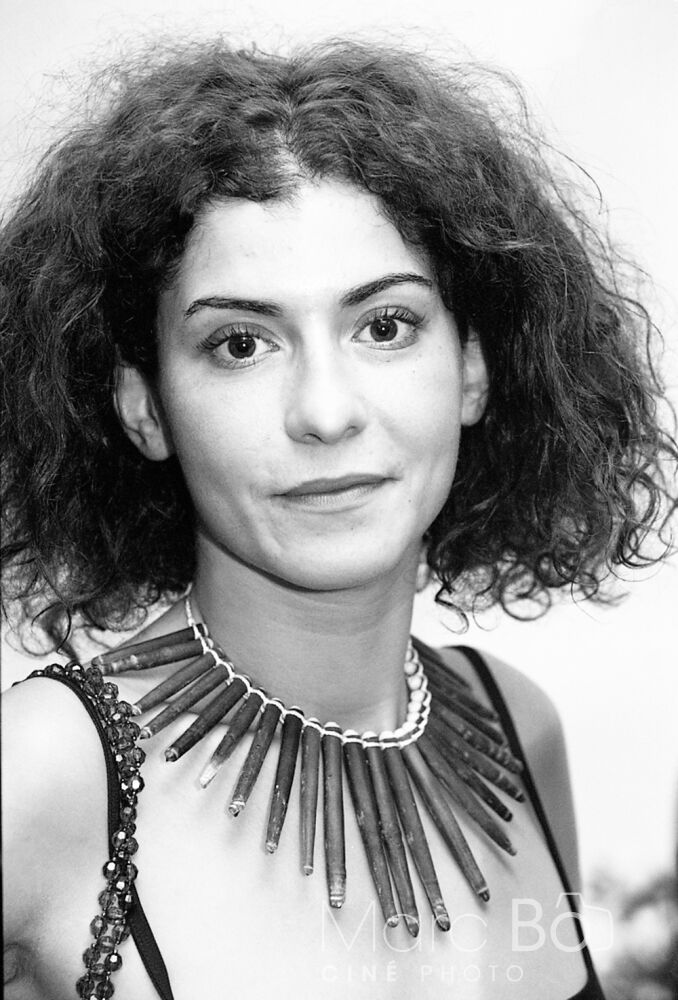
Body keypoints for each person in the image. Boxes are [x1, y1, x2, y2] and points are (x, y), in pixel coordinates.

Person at [2, 37, 675, 1000]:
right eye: (240, 344)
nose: (325, 412)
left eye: (385, 326)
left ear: (474, 368)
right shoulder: (41, 775)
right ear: (143, 406)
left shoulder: (522, 730)